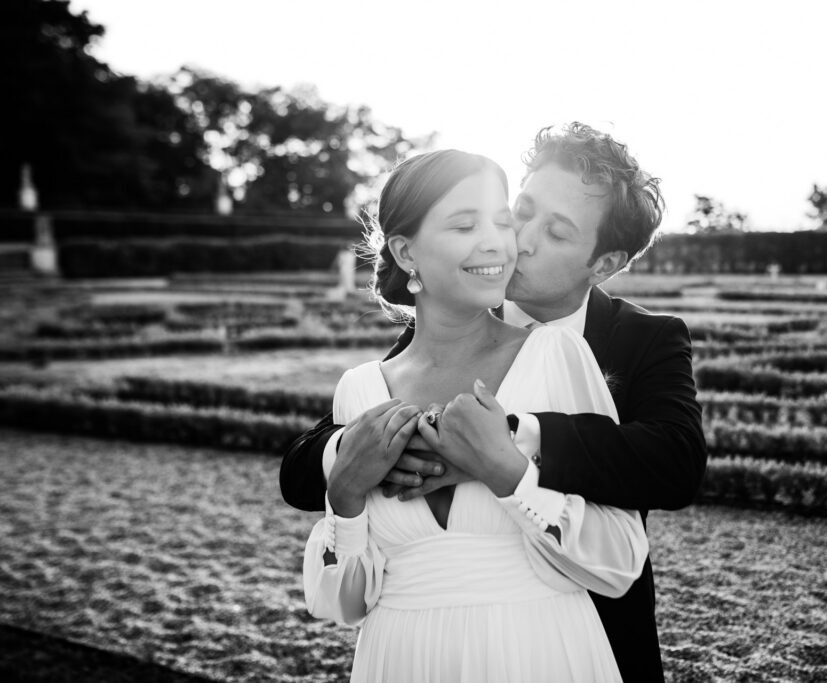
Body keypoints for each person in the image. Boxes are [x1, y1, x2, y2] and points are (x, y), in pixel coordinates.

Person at [283, 123, 707, 682]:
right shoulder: (440, 328)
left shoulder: (639, 339)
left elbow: (675, 462)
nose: (519, 240)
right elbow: (313, 460)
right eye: (519, 211)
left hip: (582, 633)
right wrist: (352, 457)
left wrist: (501, 442)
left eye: (556, 232)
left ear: (603, 264)